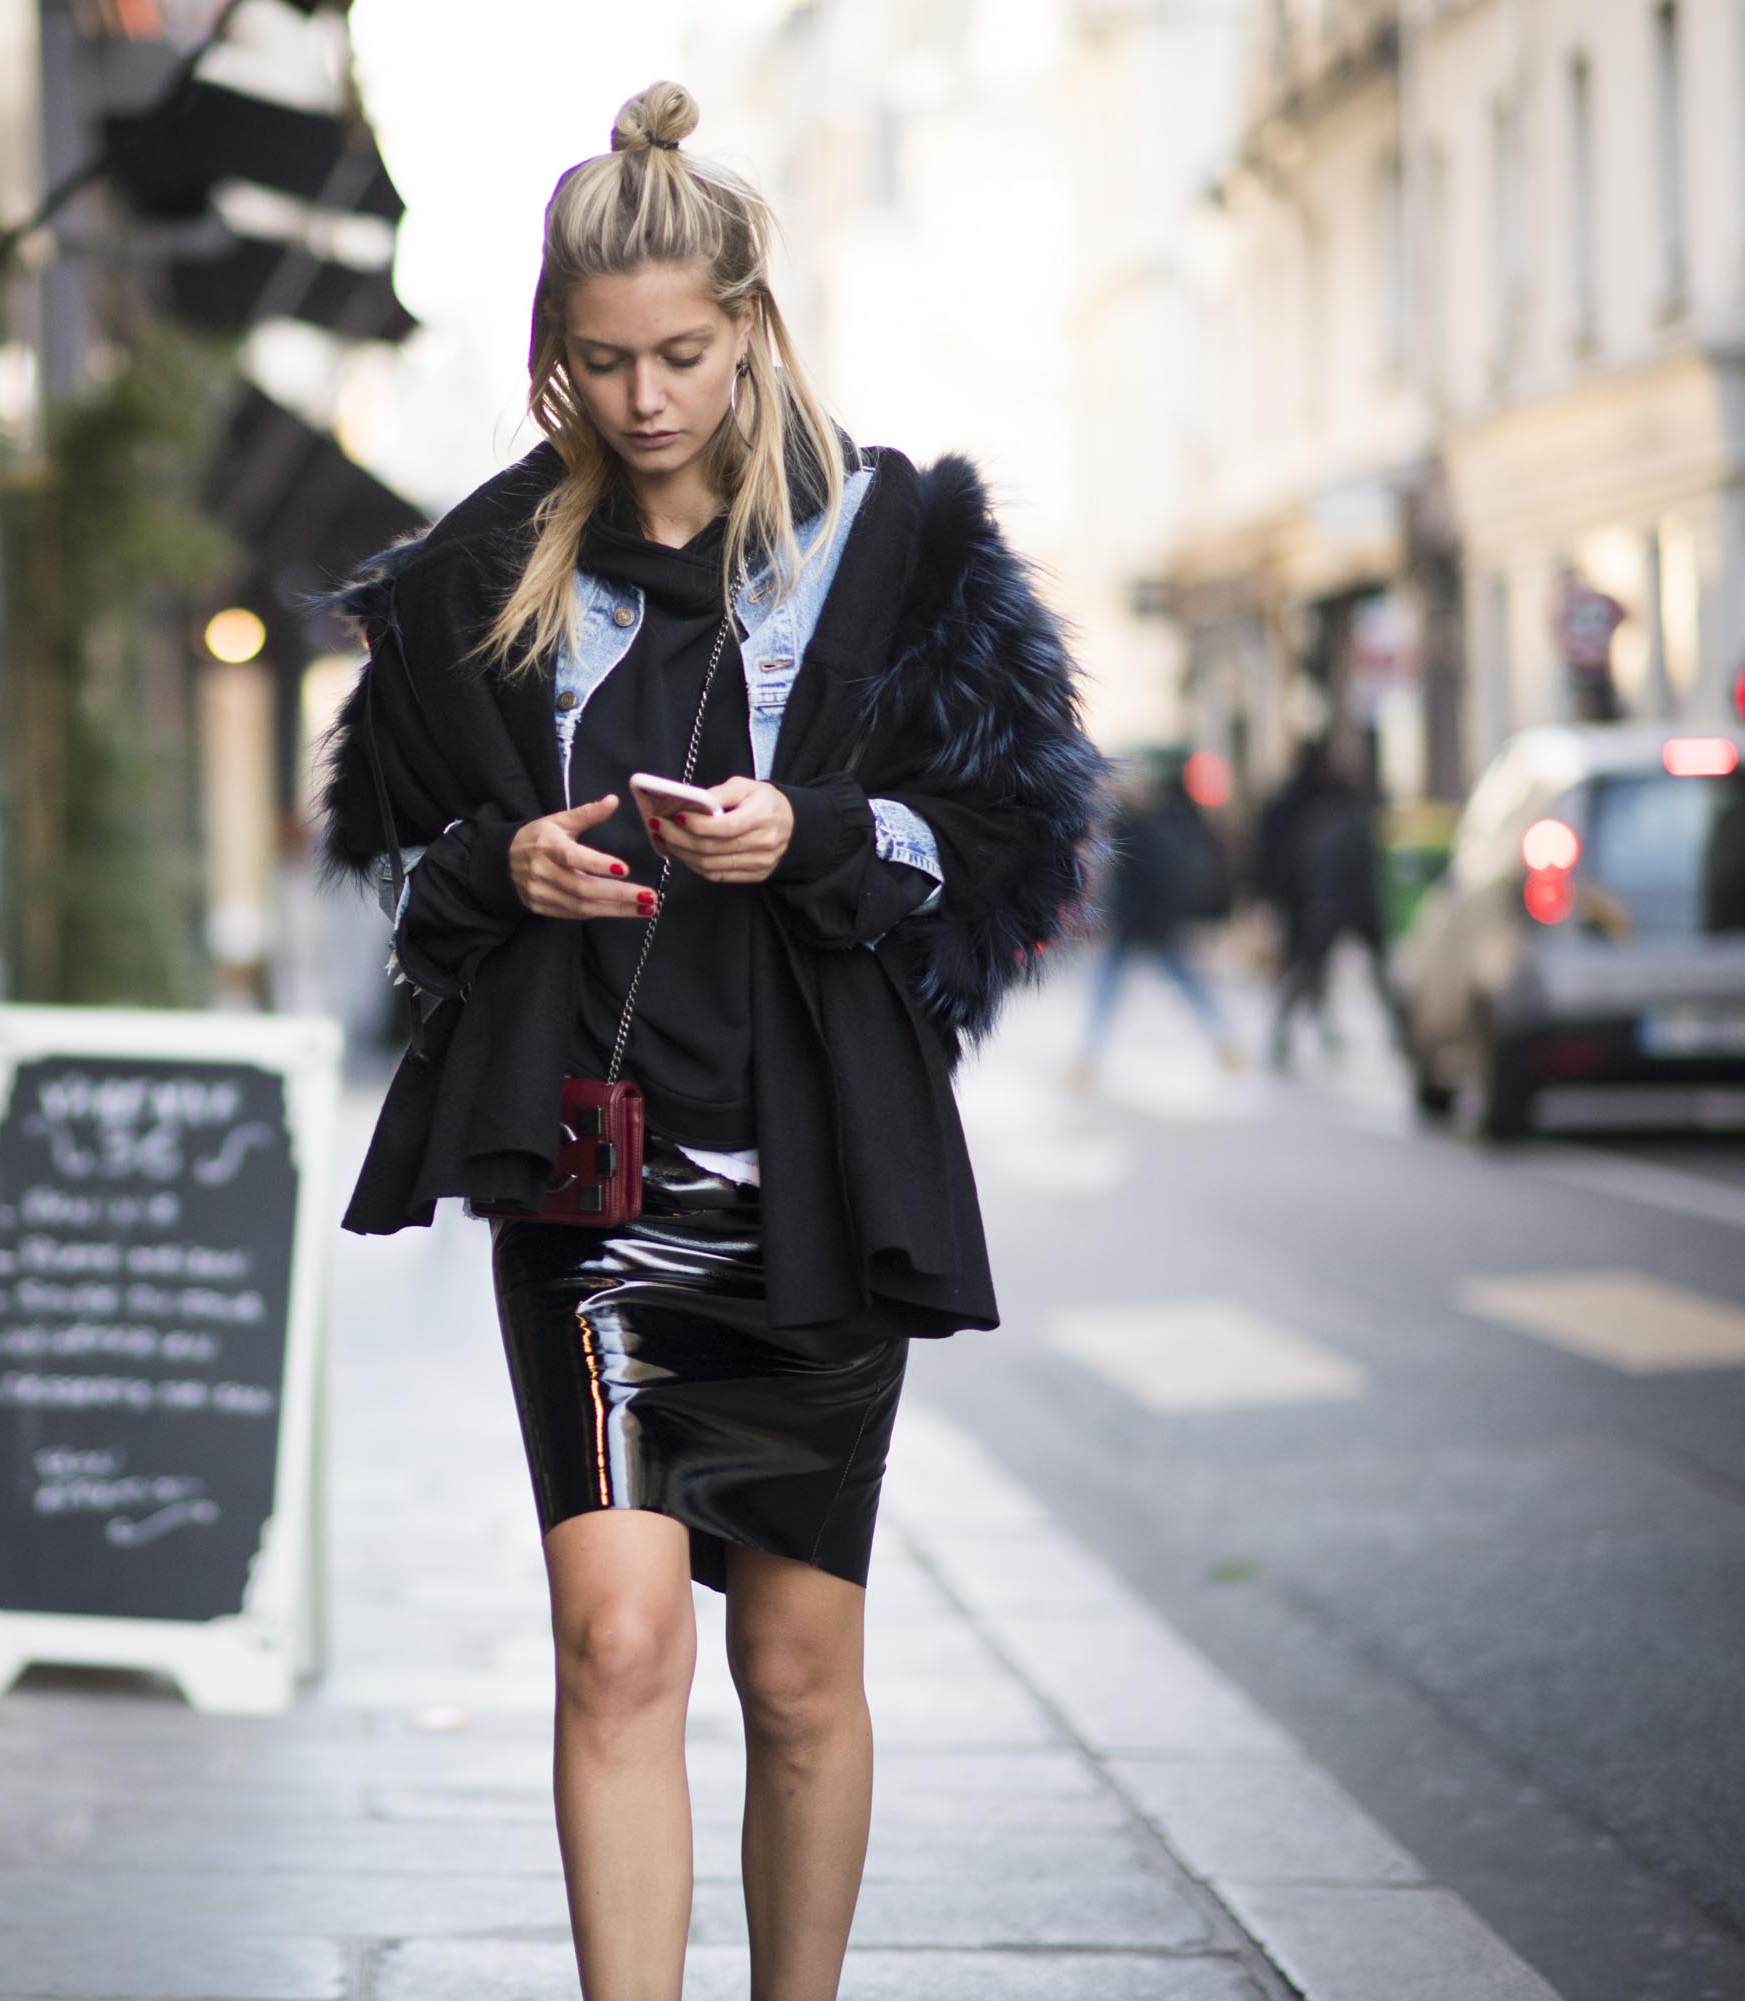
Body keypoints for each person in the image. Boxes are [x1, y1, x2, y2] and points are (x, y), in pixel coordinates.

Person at [317, 84, 1103, 2001]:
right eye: (602, 363)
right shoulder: (471, 590)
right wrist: (502, 863)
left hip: (816, 1183)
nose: (646, 397)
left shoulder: (897, 548)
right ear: (550, 362)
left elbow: (1010, 844)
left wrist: (815, 833)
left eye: (681, 353)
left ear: (753, 328)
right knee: (617, 1644)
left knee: (797, 1671)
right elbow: (395, 876)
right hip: (591, 1182)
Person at [1070, 756, 1245, 1087]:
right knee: (1175, 986)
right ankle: (1225, 1045)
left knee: (1110, 991)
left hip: (1141, 923)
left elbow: (1151, 879)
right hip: (1147, 923)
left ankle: (1086, 1062)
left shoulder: (1137, 828)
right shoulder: (1151, 822)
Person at [1252, 739, 1390, 1070]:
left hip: (1319, 903)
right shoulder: (1332, 808)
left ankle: (1291, 1036)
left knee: (1309, 972)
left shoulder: (1308, 806)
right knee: (1314, 972)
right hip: (1329, 902)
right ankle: (1296, 1035)